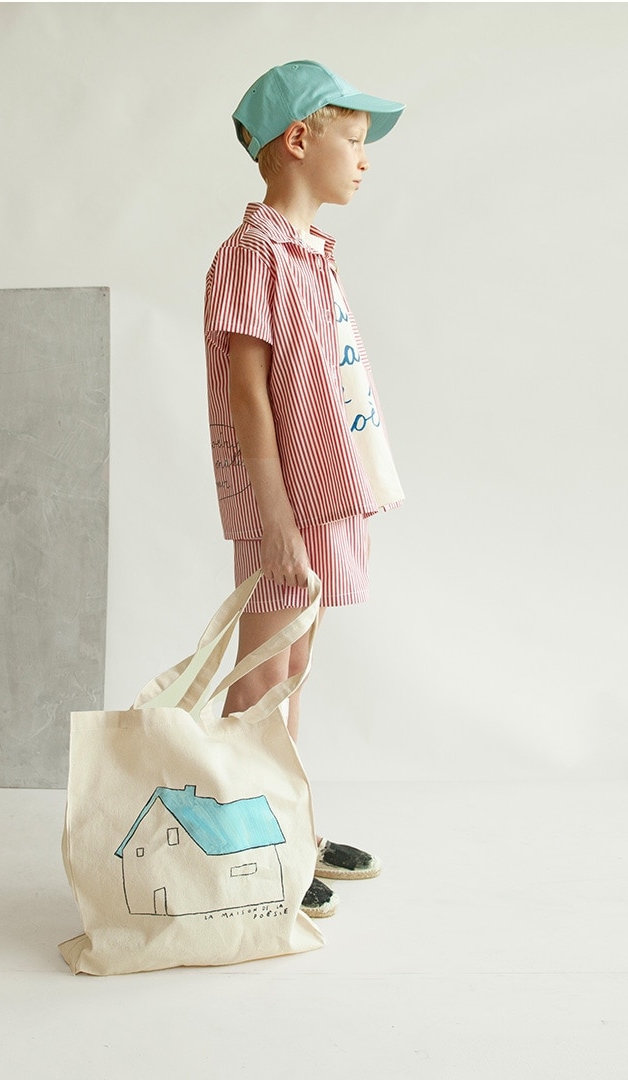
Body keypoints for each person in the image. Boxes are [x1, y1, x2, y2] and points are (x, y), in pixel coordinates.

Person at [204, 60, 406, 918]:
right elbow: (248, 397)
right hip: (281, 504)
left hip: (323, 494)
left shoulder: (309, 254)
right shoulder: (252, 256)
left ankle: (291, 829)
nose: (364, 158)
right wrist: (277, 520)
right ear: (298, 140)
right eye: (353, 140)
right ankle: (245, 847)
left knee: (292, 670)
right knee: (260, 676)